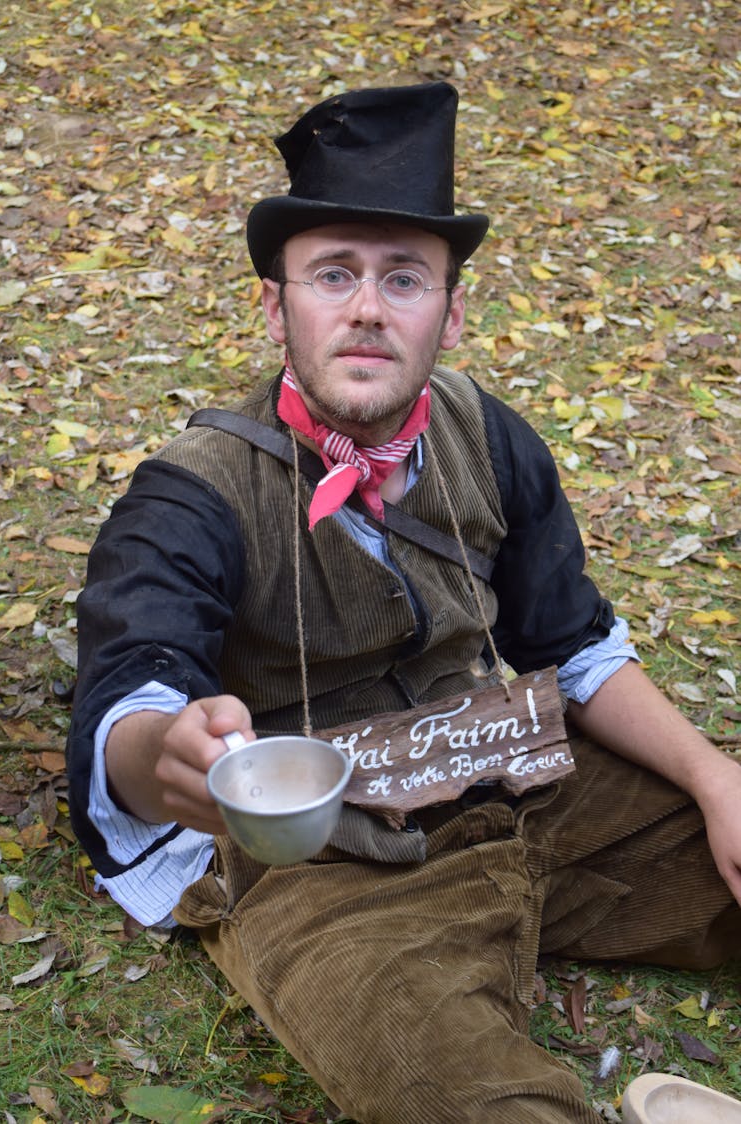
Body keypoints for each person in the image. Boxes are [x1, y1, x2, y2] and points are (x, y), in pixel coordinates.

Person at [67, 82, 741, 1124]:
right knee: (465, 1098)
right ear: (275, 303)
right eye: (333, 274)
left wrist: (713, 776)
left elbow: (575, 643)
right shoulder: (192, 490)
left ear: (453, 307)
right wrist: (167, 749)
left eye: (405, 277)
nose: (369, 307)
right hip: (321, 869)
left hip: (511, 778)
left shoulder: (489, 434)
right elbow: (131, 687)